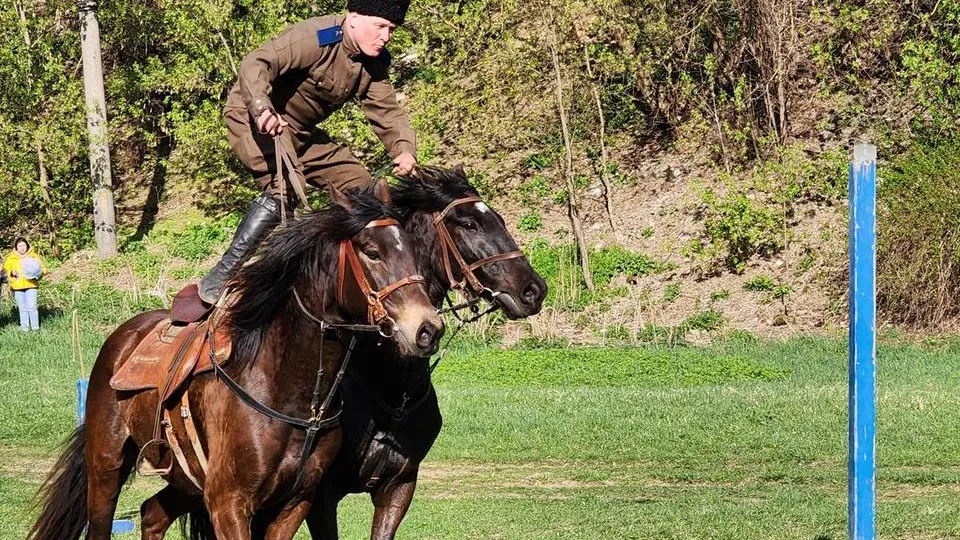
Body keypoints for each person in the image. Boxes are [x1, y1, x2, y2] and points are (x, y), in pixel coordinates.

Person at [196, 0, 417, 305]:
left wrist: (404, 150)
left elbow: (388, 112)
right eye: (380, 26)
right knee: (285, 187)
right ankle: (223, 274)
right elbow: (255, 63)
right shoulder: (315, 37)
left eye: (391, 29)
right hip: (253, 118)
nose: (386, 36)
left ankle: (346, 278)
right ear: (354, 17)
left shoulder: (374, 63)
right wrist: (262, 109)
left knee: (362, 186)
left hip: (299, 131)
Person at [3, 237, 46, 332]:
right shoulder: (11, 258)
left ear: (27, 246)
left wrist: (37, 273)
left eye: (23, 245)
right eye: (19, 246)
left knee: (32, 306)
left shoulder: (33, 256)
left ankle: (35, 328)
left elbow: (43, 268)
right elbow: (6, 270)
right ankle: (25, 329)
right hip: (17, 286)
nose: (22, 248)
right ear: (16, 247)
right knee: (22, 308)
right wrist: (12, 273)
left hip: (31, 285)